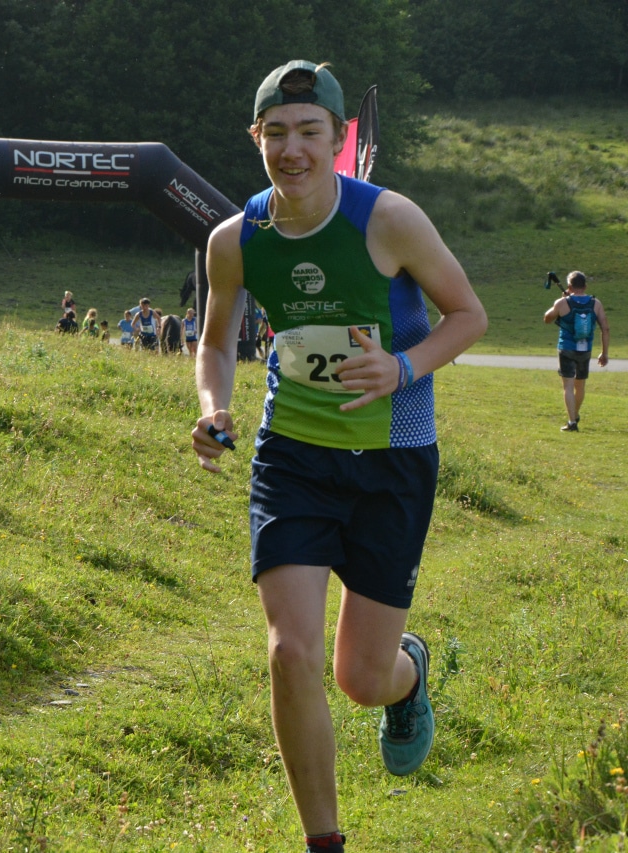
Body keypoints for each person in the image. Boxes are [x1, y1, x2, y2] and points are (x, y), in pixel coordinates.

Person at [190, 61, 487, 853]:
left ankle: (407, 673)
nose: (292, 149)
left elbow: (468, 315)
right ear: (257, 138)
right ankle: (323, 842)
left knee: (361, 676)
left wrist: (403, 367)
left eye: (309, 132)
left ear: (335, 139)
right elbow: (215, 341)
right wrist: (213, 406)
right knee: (290, 651)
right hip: (293, 456)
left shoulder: (389, 219)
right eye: (276, 133)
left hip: (393, 457)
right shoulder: (235, 240)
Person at [543, 271, 609, 431]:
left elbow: (547, 319)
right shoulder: (596, 303)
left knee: (568, 386)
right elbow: (605, 328)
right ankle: (575, 414)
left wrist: (561, 302)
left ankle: (572, 422)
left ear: (569, 286)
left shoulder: (562, 302)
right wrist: (604, 353)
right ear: (585, 286)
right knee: (580, 385)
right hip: (585, 349)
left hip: (566, 348)